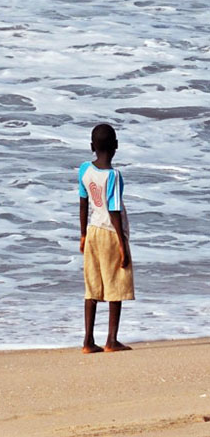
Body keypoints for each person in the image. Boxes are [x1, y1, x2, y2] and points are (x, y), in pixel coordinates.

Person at [78, 124, 133, 353]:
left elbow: (83, 203)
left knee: (92, 286)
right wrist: (123, 245)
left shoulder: (84, 170)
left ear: (92, 147)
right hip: (111, 233)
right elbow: (114, 210)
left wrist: (82, 234)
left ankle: (88, 341)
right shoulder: (114, 175)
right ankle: (111, 340)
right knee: (115, 286)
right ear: (116, 147)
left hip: (92, 232)